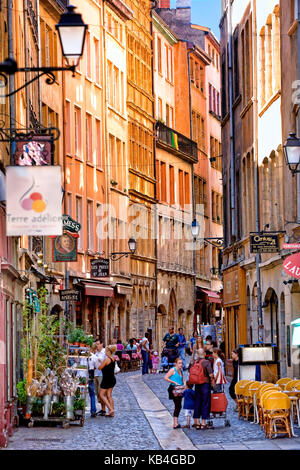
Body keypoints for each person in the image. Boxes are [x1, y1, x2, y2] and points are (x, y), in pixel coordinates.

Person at [192, 348, 214, 430]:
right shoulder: (206, 362)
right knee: (205, 402)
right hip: (205, 384)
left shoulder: (195, 362)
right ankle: (203, 423)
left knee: (197, 402)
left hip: (197, 384)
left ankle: (196, 422)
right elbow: (210, 374)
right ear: (204, 353)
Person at [164, 357, 185, 429]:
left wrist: (184, 384)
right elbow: (166, 377)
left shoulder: (181, 370)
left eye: (181, 363)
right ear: (176, 364)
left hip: (180, 389)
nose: (181, 364)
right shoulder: (173, 370)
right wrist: (174, 382)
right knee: (177, 405)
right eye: (179, 363)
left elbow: (182, 379)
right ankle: (175, 423)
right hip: (174, 389)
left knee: (179, 406)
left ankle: (176, 422)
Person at [98, 345, 117, 417]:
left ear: (109, 352)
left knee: (101, 395)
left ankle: (110, 409)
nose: (105, 352)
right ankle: (112, 412)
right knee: (109, 395)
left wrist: (100, 362)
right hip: (112, 379)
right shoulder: (113, 359)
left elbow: (100, 368)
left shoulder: (106, 359)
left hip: (106, 379)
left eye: (106, 351)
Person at [94, 339, 107, 416]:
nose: (97, 346)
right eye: (96, 344)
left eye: (98, 344)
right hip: (96, 373)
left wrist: (100, 361)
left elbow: (107, 363)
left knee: (101, 392)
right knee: (97, 392)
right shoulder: (96, 353)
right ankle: (102, 409)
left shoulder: (104, 352)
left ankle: (104, 409)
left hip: (102, 374)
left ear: (102, 344)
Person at [87, 345, 97, 417]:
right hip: (90, 376)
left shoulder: (81, 355)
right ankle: (93, 410)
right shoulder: (94, 357)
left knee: (80, 394)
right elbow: (97, 367)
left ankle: (78, 409)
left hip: (81, 376)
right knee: (92, 394)